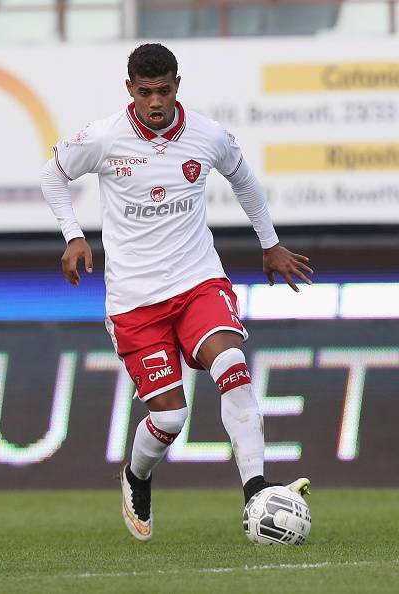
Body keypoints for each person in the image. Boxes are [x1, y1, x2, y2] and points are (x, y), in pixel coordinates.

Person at [41, 43, 312, 542]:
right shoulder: (104, 137)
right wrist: (73, 235)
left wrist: (270, 244)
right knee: (170, 416)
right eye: (145, 92)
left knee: (232, 365)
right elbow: (52, 174)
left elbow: (244, 181)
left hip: (197, 281)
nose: (155, 102)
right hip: (135, 300)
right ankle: (137, 474)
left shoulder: (207, 135)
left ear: (177, 86)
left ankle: (256, 490)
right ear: (130, 90)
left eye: (163, 91)